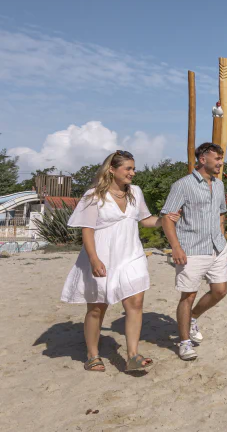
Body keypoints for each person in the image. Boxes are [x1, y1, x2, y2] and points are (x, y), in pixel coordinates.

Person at [61, 150, 178, 373]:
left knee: (135, 303)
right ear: (112, 170)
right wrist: (94, 259)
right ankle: (92, 355)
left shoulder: (136, 192)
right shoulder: (93, 195)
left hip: (131, 254)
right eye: (128, 168)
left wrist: (164, 220)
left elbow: (145, 220)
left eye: (134, 168)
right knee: (97, 308)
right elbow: (87, 231)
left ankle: (132, 355)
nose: (133, 173)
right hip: (102, 256)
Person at [161, 143, 227, 361]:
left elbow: (221, 213)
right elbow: (166, 218)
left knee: (220, 291)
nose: (220, 162)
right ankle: (184, 343)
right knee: (188, 295)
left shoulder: (219, 185)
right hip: (191, 248)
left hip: (217, 247)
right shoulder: (182, 185)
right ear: (202, 159)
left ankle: (192, 318)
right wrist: (176, 247)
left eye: (221, 158)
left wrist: (221, 235)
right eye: (216, 158)